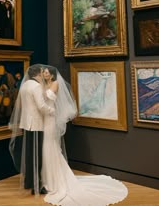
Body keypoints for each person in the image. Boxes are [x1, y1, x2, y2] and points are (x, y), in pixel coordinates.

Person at [40, 65, 128, 206]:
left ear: (51, 75)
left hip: (51, 120)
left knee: (51, 146)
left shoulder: (55, 84)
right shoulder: (44, 84)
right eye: (43, 72)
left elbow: (48, 97)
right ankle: (47, 178)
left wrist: (37, 94)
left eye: (45, 72)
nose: (43, 74)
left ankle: (55, 180)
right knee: (46, 147)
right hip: (44, 119)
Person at [9, 64, 55, 195]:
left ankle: (28, 181)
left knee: (29, 155)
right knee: (37, 156)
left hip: (26, 124)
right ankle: (37, 185)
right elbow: (41, 106)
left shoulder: (25, 85)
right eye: (42, 73)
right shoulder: (36, 86)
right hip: (36, 124)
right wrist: (52, 110)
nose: (43, 75)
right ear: (38, 74)